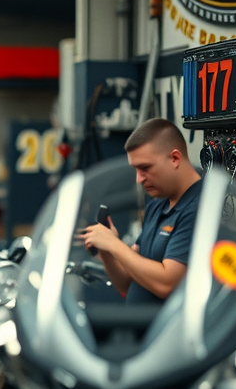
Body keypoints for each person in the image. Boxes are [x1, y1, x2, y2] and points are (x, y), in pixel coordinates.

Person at [80, 117, 202, 303]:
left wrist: (114, 244)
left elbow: (167, 285)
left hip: (171, 331)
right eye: (136, 170)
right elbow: (126, 282)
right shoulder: (157, 201)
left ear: (175, 158)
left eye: (145, 168)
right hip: (139, 327)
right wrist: (106, 249)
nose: (139, 179)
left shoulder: (198, 208)